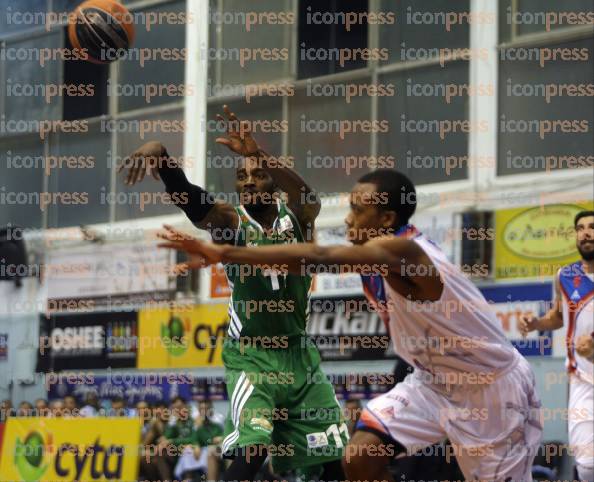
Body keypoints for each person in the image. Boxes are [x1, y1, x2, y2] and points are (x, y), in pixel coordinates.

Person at [159, 169, 544, 482]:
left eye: (358, 210)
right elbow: (306, 258)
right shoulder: (374, 257)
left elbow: (320, 255)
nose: (347, 218)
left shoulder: (406, 252)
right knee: (358, 457)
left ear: (386, 220)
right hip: (431, 383)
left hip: (488, 388)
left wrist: (224, 251)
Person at [121, 106, 347, 482]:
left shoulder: (299, 220)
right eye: (241, 177)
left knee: (332, 460)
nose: (248, 182)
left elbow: (307, 196)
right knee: (252, 449)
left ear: (273, 184)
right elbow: (193, 200)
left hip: (299, 356)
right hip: (253, 357)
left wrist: (261, 156)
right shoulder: (231, 222)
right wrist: (163, 160)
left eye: (257, 176)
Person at [520, 210, 594, 482]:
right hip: (582, 379)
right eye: (580, 228)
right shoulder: (565, 276)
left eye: (592, 227)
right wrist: (536, 323)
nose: (585, 232)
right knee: (586, 464)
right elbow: (559, 316)